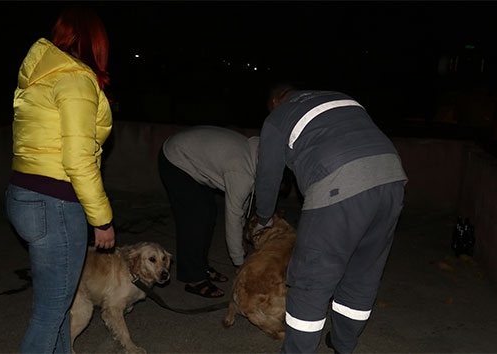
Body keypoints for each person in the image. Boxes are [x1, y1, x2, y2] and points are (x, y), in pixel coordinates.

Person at [253, 84, 408, 353]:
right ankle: (342, 345)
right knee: (362, 273)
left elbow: (268, 177)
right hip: (392, 178)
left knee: (311, 281)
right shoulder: (343, 98)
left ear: (276, 101)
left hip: (338, 184)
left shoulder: (279, 117)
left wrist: (263, 218)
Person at [4, 7, 115, 353]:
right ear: (94, 42)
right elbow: (78, 159)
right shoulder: (75, 79)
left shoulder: (40, 76)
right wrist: (103, 220)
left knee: (56, 308)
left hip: (23, 193)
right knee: (51, 313)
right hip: (55, 202)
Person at [158, 125, 259, 298]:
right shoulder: (242, 174)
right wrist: (240, 263)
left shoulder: (257, 160)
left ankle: (200, 266)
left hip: (192, 158)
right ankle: (193, 278)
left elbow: (243, 203)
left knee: (208, 212)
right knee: (195, 219)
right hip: (175, 158)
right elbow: (233, 216)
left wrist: (242, 235)